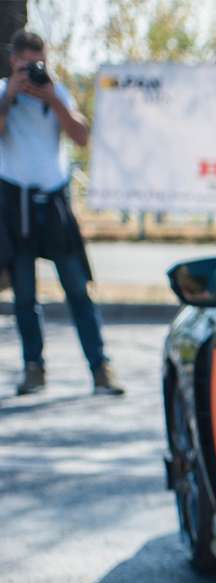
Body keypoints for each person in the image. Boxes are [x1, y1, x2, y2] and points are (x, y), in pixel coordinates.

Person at [0, 30, 121, 396]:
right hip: (16, 203)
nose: (32, 73)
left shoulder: (57, 92)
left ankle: (100, 368)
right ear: (13, 62)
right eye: (26, 66)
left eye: (38, 64)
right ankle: (33, 368)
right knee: (24, 296)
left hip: (54, 203)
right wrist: (9, 97)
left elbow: (81, 136)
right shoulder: (3, 92)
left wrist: (53, 99)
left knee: (77, 289)